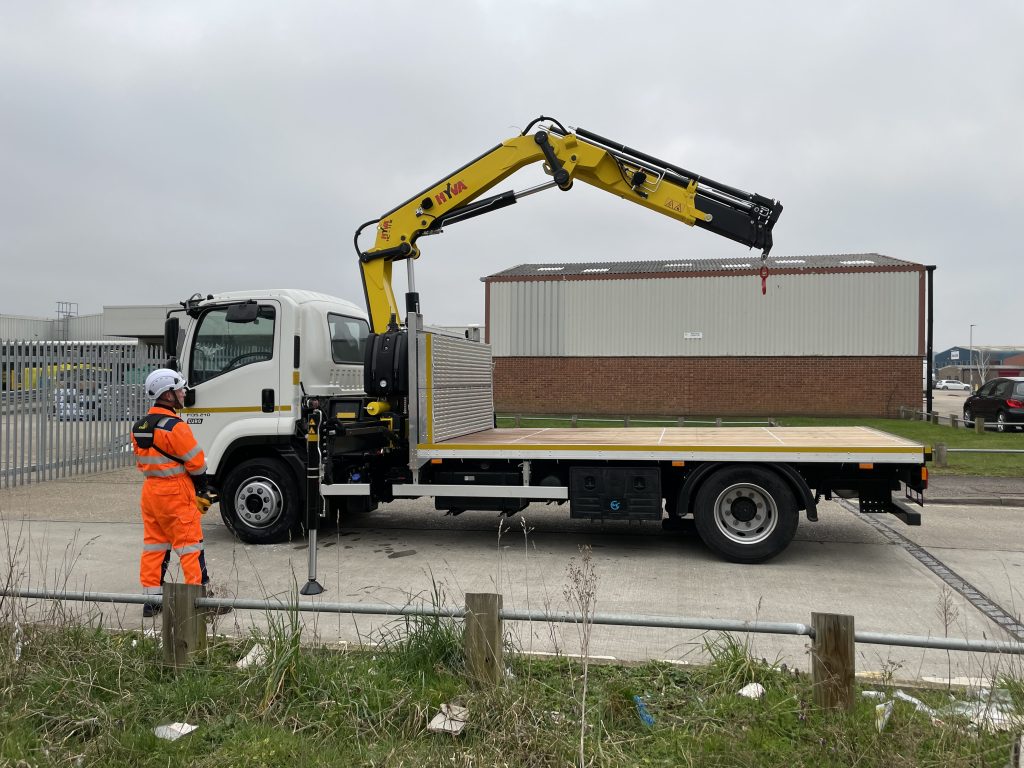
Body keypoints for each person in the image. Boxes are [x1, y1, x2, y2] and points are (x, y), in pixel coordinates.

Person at [131, 368, 228, 618]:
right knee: (190, 546)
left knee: (154, 546)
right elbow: (196, 464)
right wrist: (203, 486)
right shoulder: (176, 427)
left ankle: (152, 602)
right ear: (168, 394)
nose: (184, 393)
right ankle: (199, 601)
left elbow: (142, 463)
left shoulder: (139, 427)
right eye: (180, 389)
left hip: (151, 492)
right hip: (176, 492)